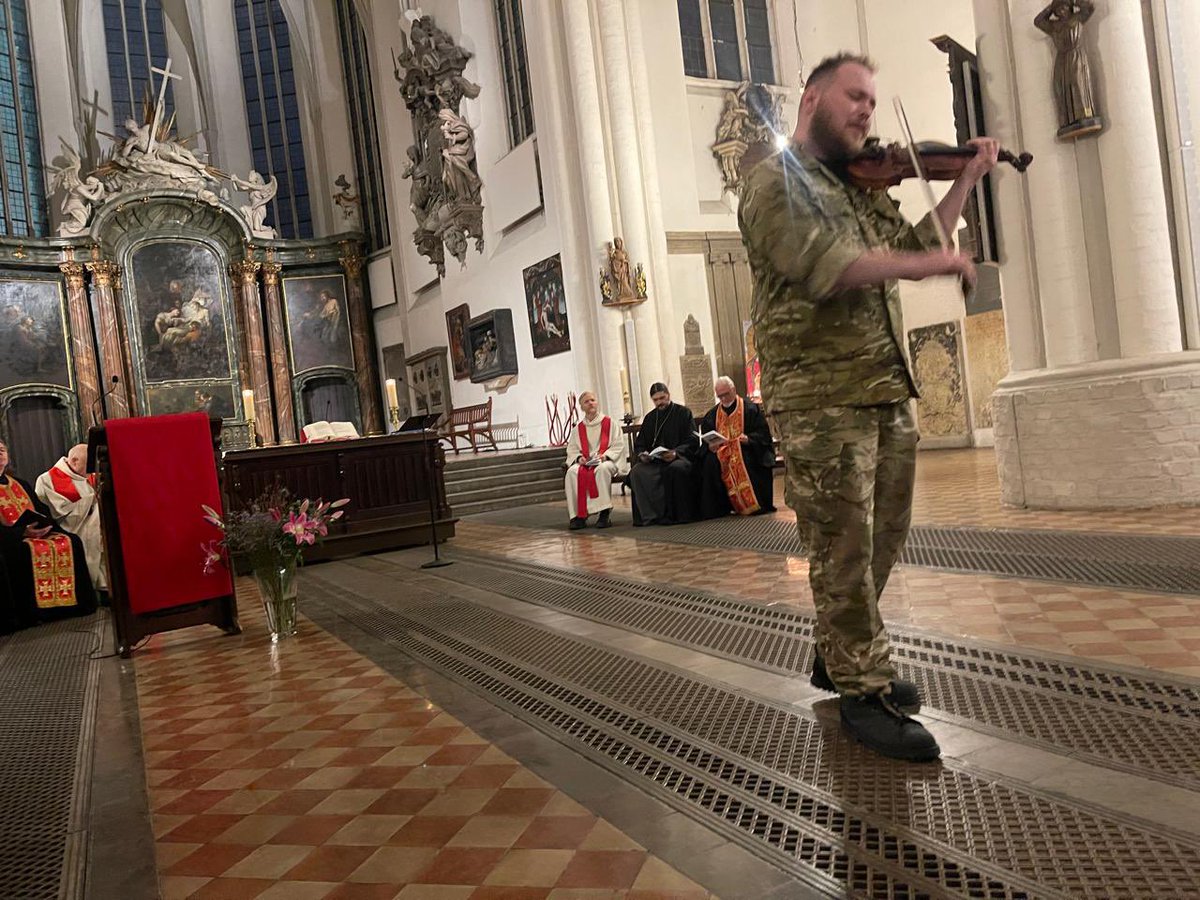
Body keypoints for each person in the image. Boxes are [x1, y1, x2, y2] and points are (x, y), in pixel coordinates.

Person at [738, 53, 997, 761]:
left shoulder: (859, 185)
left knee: (885, 536)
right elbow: (829, 270)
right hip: (821, 397)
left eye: (873, 103)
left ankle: (839, 654)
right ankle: (864, 690)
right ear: (813, 96)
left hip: (885, 386)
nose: (866, 112)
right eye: (854, 97)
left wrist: (967, 180)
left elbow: (916, 244)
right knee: (842, 548)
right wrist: (930, 265)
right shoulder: (773, 184)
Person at [0, 437, 98, 634]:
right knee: (23, 550)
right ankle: (33, 613)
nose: (0, 455)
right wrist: (20, 532)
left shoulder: (20, 483)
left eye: (1, 450)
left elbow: (41, 509)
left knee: (71, 541)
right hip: (8, 539)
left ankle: (73, 607)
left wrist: (46, 526)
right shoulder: (46, 479)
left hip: (32, 532)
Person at [697, 376, 775, 519]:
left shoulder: (750, 409)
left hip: (746, 449)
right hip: (721, 451)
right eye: (720, 396)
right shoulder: (712, 414)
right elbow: (706, 440)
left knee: (744, 459)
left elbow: (763, 435)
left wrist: (749, 439)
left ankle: (753, 505)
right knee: (710, 462)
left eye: (726, 394)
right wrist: (710, 447)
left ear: (733, 390)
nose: (723, 399)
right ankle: (720, 508)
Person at [36, 443, 107, 595]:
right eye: (89, 465)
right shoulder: (47, 479)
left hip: (97, 524)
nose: (92, 470)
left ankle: (107, 586)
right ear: (74, 461)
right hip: (72, 530)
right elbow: (60, 513)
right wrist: (94, 499)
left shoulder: (89, 475)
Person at [629, 383, 699, 526]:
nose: (660, 402)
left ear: (668, 394)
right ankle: (649, 516)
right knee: (637, 472)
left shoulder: (683, 413)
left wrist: (676, 452)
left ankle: (673, 515)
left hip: (678, 458)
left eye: (662, 398)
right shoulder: (650, 418)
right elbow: (640, 443)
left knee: (675, 469)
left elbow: (692, 440)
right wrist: (643, 454)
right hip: (656, 461)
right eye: (656, 400)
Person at [564, 391, 626, 530]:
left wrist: (604, 456)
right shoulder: (578, 429)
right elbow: (572, 449)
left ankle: (604, 513)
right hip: (585, 463)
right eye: (586, 401)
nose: (591, 403)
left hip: (606, 461)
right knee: (572, 472)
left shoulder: (610, 424)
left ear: (597, 402)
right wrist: (579, 458)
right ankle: (578, 516)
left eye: (593, 400)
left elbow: (618, 444)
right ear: (581, 407)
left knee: (602, 469)